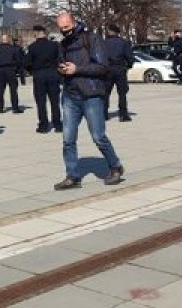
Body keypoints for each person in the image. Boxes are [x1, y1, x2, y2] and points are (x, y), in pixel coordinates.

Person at [53, 13, 124, 190]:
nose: (64, 31)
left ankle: (115, 166)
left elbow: (102, 67)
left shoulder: (92, 39)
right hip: (70, 95)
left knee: (98, 137)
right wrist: (61, 69)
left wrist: (77, 69)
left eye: (67, 27)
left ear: (74, 23)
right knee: (68, 139)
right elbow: (62, 63)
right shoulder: (63, 43)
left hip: (91, 95)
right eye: (61, 28)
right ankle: (72, 176)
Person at [25, 25, 62, 133]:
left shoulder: (32, 47)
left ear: (36, 33)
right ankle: (58, 124)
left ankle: (43, 125)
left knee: (41, 101)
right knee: (55, 101)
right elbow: (60, 59)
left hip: (39, 75)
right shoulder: (54, 45)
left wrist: (32, 71)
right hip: (53, 74)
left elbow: (26, 63)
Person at [104, 24, 134, 122]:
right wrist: (128, 66)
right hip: (120, 69)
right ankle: (123, 114)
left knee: (105, 92)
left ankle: (104, 114)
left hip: (107, 69)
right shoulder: (124, 43)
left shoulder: (104, 43)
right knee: (122, 93)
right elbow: (130, 57)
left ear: (111, 32)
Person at [0, 34, 23, 114]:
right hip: (11, 70)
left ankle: (0, 108)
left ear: (1, 40)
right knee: (13, 90)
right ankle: (15, 108)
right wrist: (17, 71)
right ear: (8, 40)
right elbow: (18, 61)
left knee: (0, 91)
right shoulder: (14, 49)